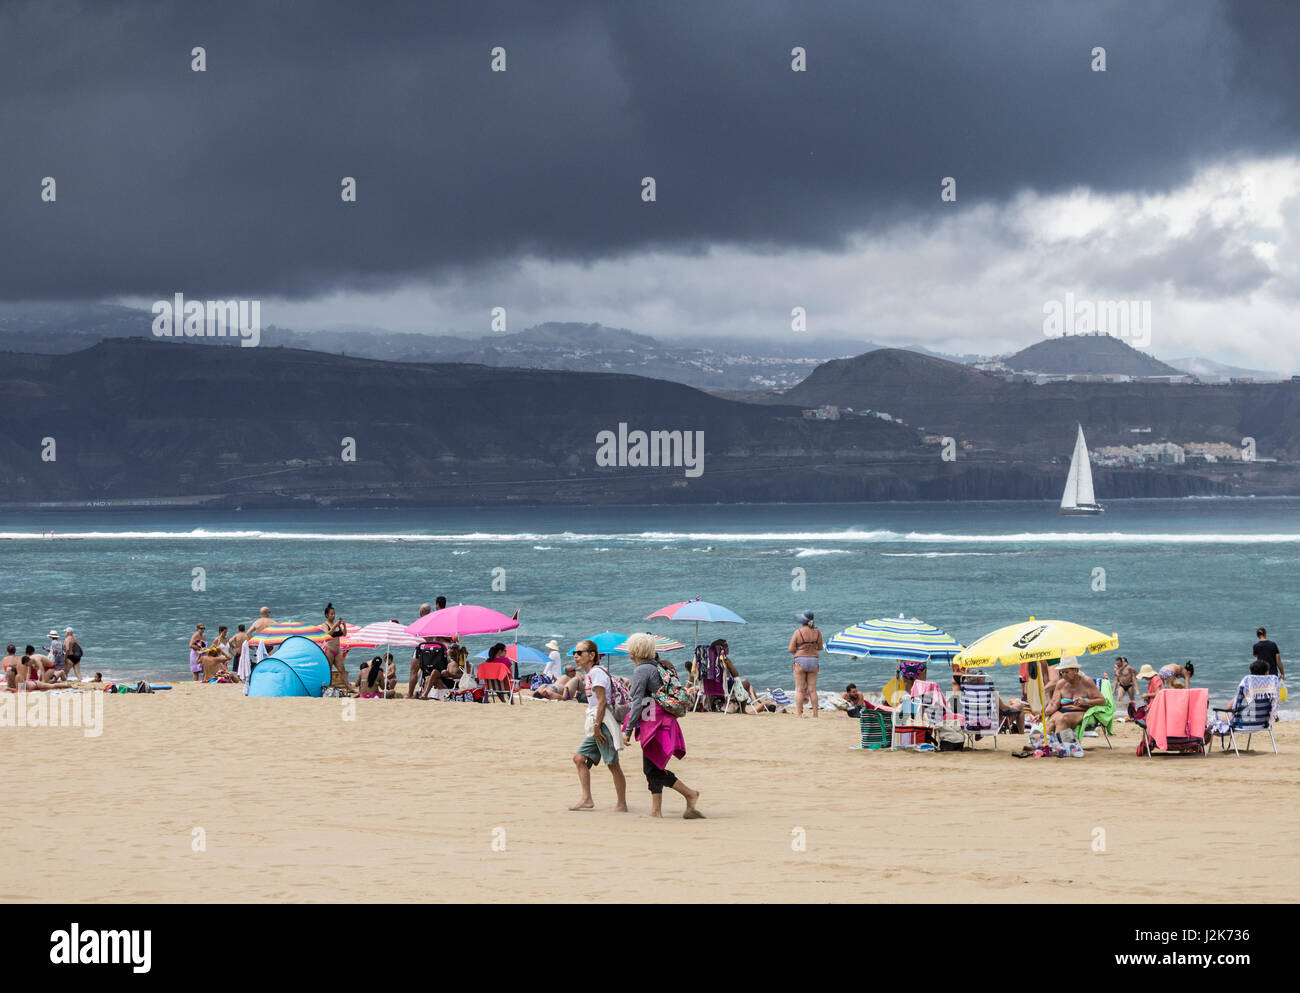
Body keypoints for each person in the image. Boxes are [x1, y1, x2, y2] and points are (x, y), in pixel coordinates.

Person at [622, 632, 703, 819]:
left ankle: (690, 794)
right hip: (660, 720)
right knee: (654, 765)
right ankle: (656, 810)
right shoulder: (656, 666)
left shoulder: (642, 670)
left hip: (655, 723)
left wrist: (627, 731)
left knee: (651, 768)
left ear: (635, 650)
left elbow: (636, 702)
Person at [569, 639, 627, 811]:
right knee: (579, 758)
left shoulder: (597, 673)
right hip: (596, 721)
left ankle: (621, 804)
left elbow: (602, 703)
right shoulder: (590, 674)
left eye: (579, 653)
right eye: (574, 653)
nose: (576, 656)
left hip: (602, 723)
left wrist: (596, 726)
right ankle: (587, 799)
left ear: (592, 655)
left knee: (612, 764)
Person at [1044, 657, 1103, 735]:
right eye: (1062, 672)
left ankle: (1061, 744)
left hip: (1079, 711)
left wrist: (1086, 701)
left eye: (1067, 672)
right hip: (1062, 710)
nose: (1064, 675)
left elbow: (1102, 700)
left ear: (1076, 670)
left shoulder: (1086, 682)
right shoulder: (1060, 683)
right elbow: (1054, 704)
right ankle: (1041, 745)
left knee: (1063, 719)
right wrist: (1043, 714)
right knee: (1051, 721)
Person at [787, 610, 823, 718]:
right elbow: (820, 648)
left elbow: (791, 649)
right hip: (813, 660)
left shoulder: (798, 632)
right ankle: (815, 715)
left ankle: (799, 715)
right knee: (812, 689)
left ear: (802, 621)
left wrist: (800, 649)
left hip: (800, 660)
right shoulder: (817, 632)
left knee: (799, 689)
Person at [407, 602, 433, 698]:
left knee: (413, 671)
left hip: (420, 648)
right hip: (432, 649)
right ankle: (425, 692)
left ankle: (410, 694)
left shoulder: (419, 622)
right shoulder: (433, 621)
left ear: (421, 611)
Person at [323, 603, 348, 682]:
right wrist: (335, 626)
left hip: (337, 651)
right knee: (328, 670)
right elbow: (327, 635)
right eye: (331, 614)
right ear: (326, 615)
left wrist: (344, 625)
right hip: (329, 650)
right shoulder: (325, 625)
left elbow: (344, 634)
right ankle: (327, 687)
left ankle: (348, 687)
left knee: (342, 670)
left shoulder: (336, 624)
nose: (333, 616)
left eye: (334, 614)